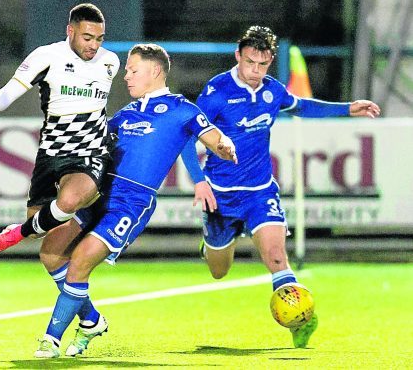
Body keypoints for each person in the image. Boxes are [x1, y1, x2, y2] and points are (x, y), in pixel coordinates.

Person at [32, 43, 237, 358]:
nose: (125, 76)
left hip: (131, 202)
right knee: (50, 254)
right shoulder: (124, 114)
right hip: (97, 195)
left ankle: (50, 339)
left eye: (132, 69)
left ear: (154, 71)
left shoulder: (183, 109)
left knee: (81, 260)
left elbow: (213, 137)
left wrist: (224, 146)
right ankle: (91, 320)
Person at [181, 25, 381, 348]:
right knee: (219, 270)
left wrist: (347, 108)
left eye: (262, 65)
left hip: (261, 192)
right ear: (237, 55)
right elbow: (187, 137)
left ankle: (300, 322)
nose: (255, 71)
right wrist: (199, 181)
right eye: (249, 63)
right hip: (220, 195)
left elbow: (302, 106)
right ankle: (211, 244)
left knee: (276, 257)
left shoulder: (272, 91)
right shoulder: (216, 91)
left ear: (270, 61)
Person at [0, 3, 120, 258]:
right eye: (87, 37)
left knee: (70, 201)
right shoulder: (47, 56)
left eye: (99, 39)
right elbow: (13, 88)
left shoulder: (110, 62)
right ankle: (24, 230)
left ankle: (15, 235)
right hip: (51, 152)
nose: (94, 46)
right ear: (70, 31)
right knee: (39, 228)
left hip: (90, 151)